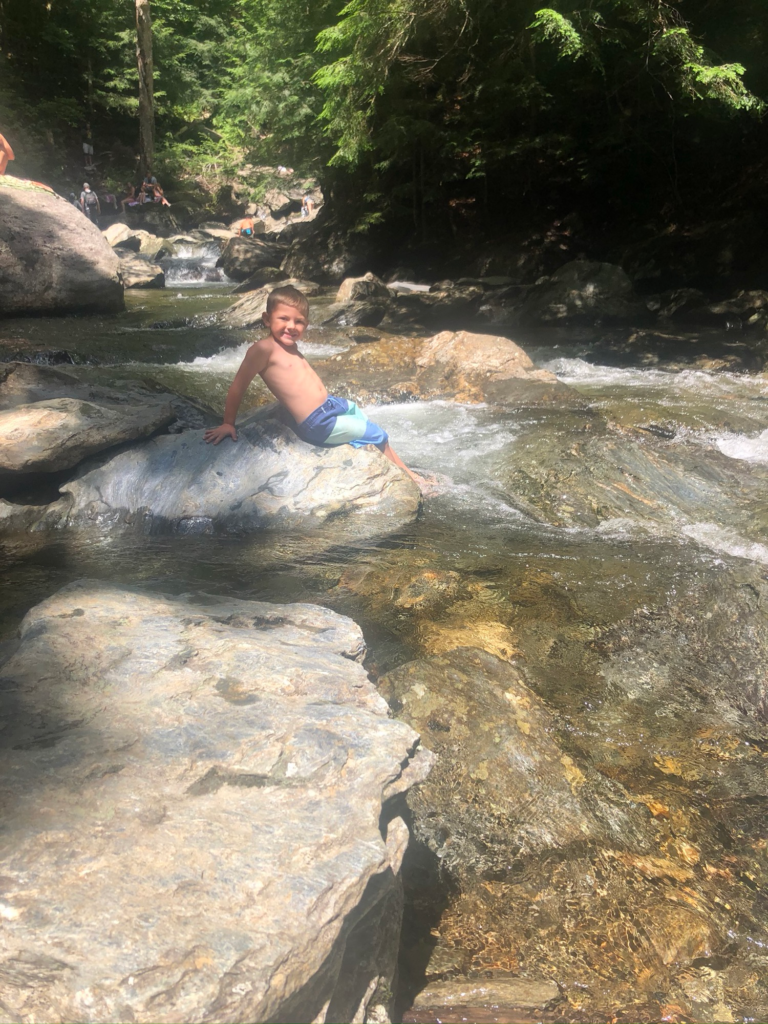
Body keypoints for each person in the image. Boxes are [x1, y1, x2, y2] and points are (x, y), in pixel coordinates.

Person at [204, 284, 422, 488]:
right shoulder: (263, 349)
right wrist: (228, 423)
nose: (291, 326)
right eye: (283, 319)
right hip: (318, 423)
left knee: (356, 410)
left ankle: (374, 449)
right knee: (378, 434)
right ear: (266, 319)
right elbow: (237, 387)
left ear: (306, 324)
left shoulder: (290, 346)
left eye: (298, 322)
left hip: (330, 406)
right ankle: (410, 478)